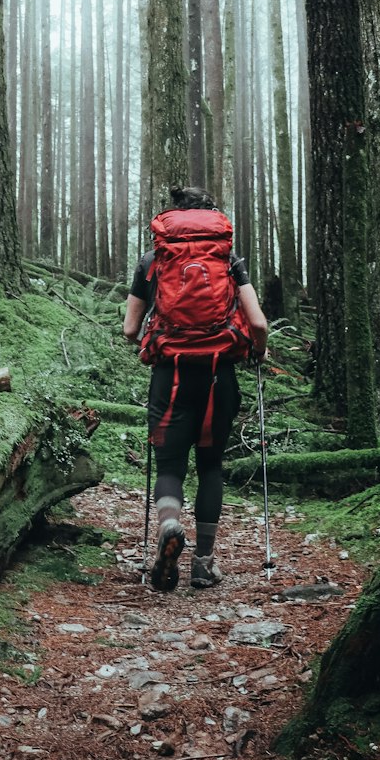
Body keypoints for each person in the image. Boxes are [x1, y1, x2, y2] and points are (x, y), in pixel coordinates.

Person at [122, 186, 269, 591]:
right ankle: (203, 564)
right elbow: (257, 324)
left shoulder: (154, 260)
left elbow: (130, 329)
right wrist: (258, 351)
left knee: (170, 466)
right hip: (220, 375)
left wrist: (160, 339)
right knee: (209, 466)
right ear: (212, 218)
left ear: (175, 217)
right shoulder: (228, 259)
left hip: (170, 377)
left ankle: (170, 525)